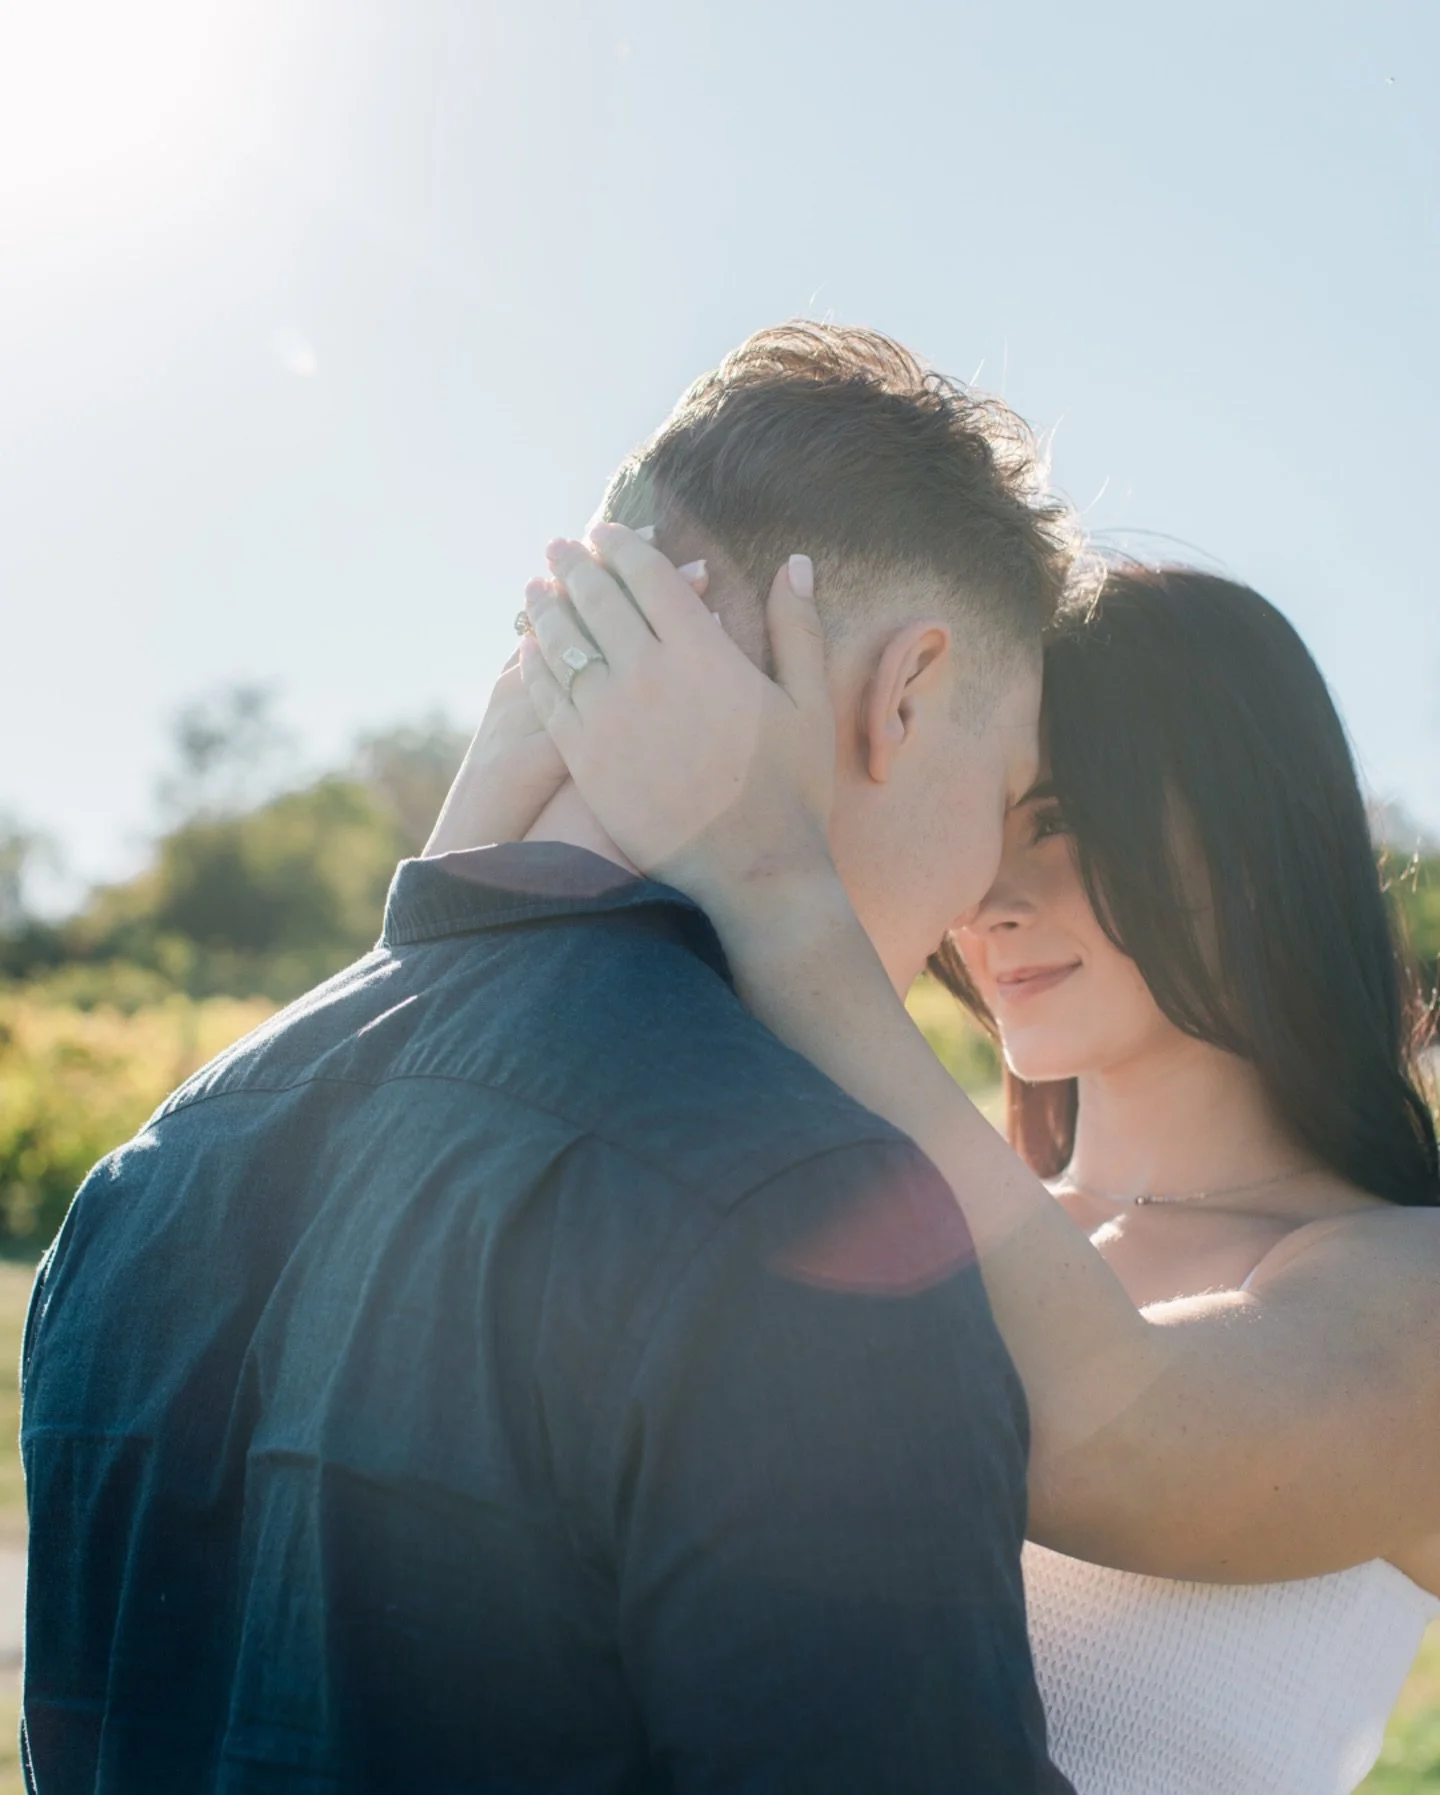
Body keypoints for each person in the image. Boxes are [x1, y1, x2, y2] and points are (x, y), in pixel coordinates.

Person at [19, 326, 1078, 1792]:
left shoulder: (147, 1175)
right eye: (1006, 788)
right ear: (905, 694)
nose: (978, 894)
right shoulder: (812, 1215)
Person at [492, 539, 1440, 1795]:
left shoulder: (1409, 1280)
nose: (988, 893)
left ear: (1254, 827)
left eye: (1058, 822)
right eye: (987, 817)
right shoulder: (912, 1227)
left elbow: (1115, 1437)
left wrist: (775, 877)